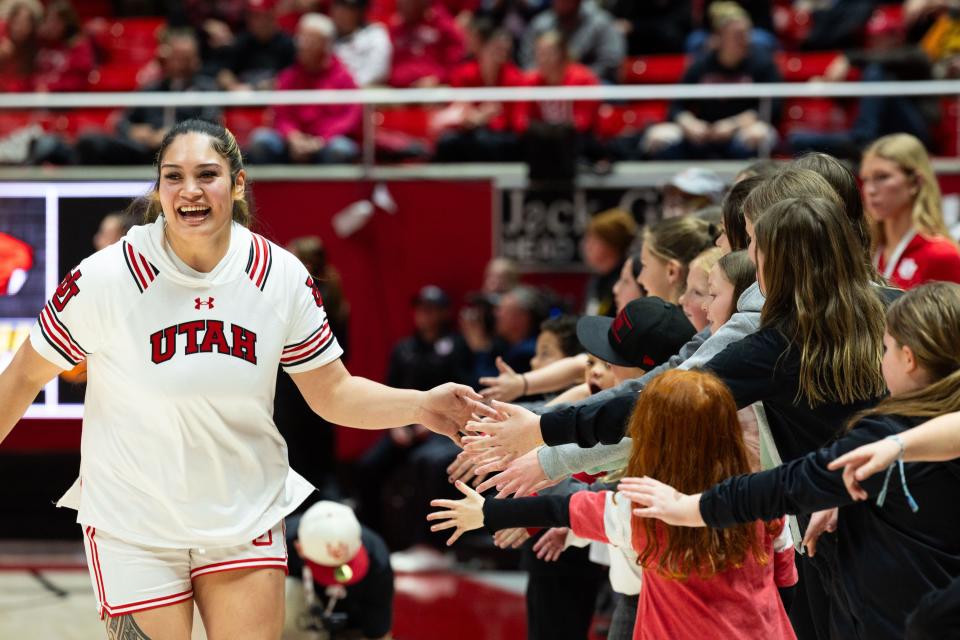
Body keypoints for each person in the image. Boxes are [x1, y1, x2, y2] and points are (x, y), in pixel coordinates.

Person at [0, 118, 493, 639]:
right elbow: (24, 376)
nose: (189, 190)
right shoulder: (106, 277)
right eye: (174, 176)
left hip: (244, 516)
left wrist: (420, 405)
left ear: (237, 184)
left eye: (207, 174)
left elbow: (334, 393)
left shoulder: (279, 276)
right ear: (159, 187)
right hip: (133, 522)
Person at [622, 281, 960, 640]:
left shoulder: (889, 432)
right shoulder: (918, 430)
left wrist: (694, 507)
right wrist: (841, 496)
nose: (880, 359)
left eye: (886, 347)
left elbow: (789, 484)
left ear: (909, 358)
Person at [432, 369, 798, 640]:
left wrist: (486, 512)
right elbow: (785, 575)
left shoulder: (643, 512)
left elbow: (562, 510)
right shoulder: (758, 498)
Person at [641, 2, 781, 160]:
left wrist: (734, 124)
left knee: (758, 134)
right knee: (658, 137)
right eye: (737, 35)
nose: (745, 40)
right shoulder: (701, 64)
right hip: (704, 131)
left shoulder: (762, 62)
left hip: (741, 129)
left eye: (747, 33)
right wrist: (690, 124)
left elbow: (772, 107)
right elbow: (676, 106)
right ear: (719, 38)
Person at [75, 29, 221, 166]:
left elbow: (211, 125)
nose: (179, 64)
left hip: (187, 154)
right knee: (90, 141)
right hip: (146, 151)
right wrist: (134, 131)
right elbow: (123, 122)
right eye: (175, 58)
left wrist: (172, 135)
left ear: (195, 60)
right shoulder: (152, 89)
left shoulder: (207, 88)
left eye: (185, 58)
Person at [245, 13, 362, 164]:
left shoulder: (344, 78)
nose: (300, 44)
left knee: (340, 148)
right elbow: (280, 115)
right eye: (300, 37)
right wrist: (293, 137)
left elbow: (349, 119)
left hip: (326, 143)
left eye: (308, 39)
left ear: (325, 44)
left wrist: (320, 140)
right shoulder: (288, 77)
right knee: (260, 140)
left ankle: (329, 188)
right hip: (292, 143)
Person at [860, 133, 960, 288]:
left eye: (882, 177)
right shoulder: (867, 251)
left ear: (915, 183)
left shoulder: (942, 255)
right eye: (865, 179)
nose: (870, 190)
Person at [286, 501, 394, 640]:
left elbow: (379, 631)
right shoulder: (280, 545)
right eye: (325, 567)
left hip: (352, 620)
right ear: (299, 549)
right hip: (300, 618)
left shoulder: (376, 555)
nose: (338, 575)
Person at [433, 18, 524, 163]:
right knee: (448, 143)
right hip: (470, 132)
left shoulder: (514, 77)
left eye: (505, 51)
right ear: (484, 47)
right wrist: (480, 116)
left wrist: (485, 118)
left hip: (501, 136)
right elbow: (458, 111)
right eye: (496, 49)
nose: (500, 55)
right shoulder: (463, 74)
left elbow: (516, 120)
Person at [518, 0, 626, 84]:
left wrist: (578, 78)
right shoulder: (540, 24)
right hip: (547, 82)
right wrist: (551, 77)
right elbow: (527, 60)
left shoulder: (601, 22)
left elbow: (611, 60)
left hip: (594, 81)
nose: (560, 3)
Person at [211, 0, 295, 91]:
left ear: (272, 16)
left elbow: (291, 76)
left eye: (262, 16)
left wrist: (258, 88)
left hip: (276, 100)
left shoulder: (287, 44)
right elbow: (224, 74)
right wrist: (233, 86)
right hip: (243, 100)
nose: (257, 21)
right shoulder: (240, 42)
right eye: (253, 16)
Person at [388, 0, 466, 87]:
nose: (404, 6)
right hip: (397, 90)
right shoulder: (395, 29)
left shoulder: (442, 25)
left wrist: (439, 78)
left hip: (433, 88)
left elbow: (456, 58)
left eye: (409, 3)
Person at [581, 208, 637, 317]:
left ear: (611, 244)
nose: (587, 247)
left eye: (594, 241)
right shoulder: (596, 280)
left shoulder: (627, 282)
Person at [331, 0, 393, 87]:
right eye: (339, 7)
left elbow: (378, 71)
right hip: (334, 91)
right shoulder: (327, 34)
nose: (342, 13)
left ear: (360, 12)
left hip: (364, 90)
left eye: (350, 9)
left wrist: (349, 86)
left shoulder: (375, 33)